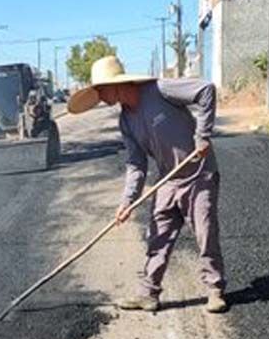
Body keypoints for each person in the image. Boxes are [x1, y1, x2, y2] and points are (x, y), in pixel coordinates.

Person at [67, 55, 228, 314]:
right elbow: (136, 164)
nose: (100, 96)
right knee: (158, 236)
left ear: (116, 85)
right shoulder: (126, 120)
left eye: (101, 89)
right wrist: (127, 202)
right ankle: (148, 294)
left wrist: (202, 135)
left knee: (205, 234)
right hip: (168, 179)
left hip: (198, 173)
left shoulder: (161, 90)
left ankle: (215, 290)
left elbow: (206, 90)